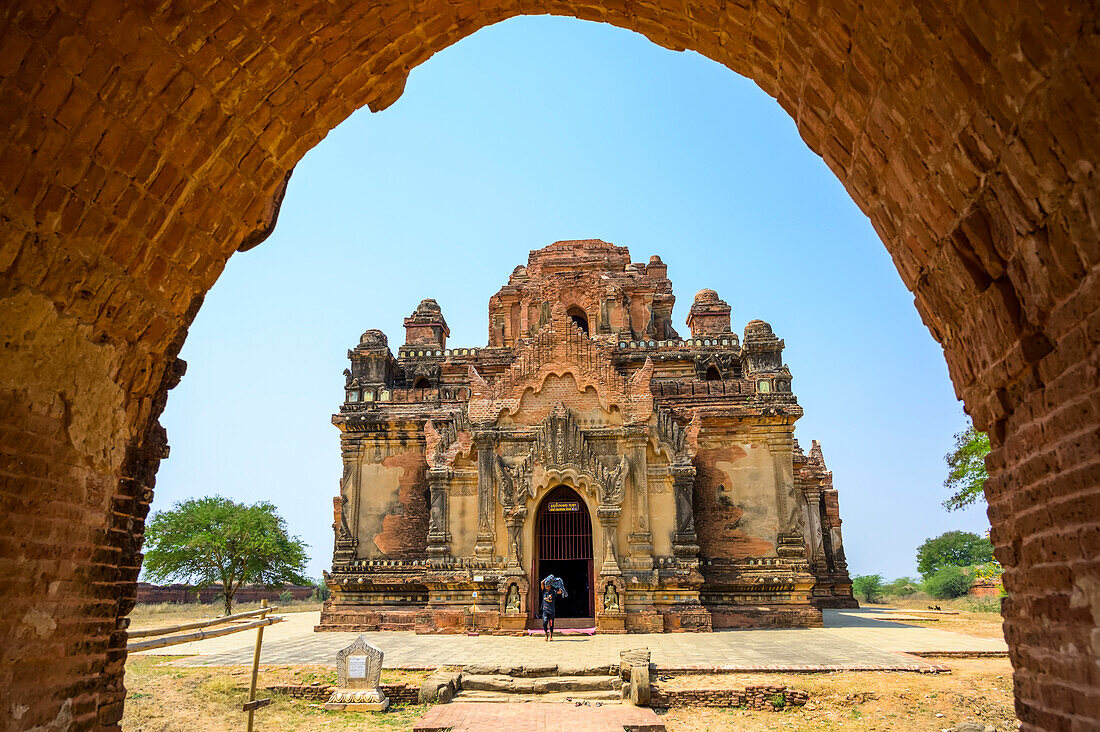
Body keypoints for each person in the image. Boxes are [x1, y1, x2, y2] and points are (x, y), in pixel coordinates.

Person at [540, 575, 564, 641]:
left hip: (551, 611)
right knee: (544, 622)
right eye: (547, 585)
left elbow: (560, 592)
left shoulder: (553, 592)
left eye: (550, 585)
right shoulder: (544, 591)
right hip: (545, 610)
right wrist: (547, 579)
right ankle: (546, 634)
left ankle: (551, 636)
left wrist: (560, 586)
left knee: (551, 623)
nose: (549, 587)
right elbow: (541, 583)